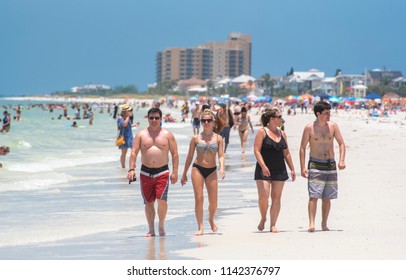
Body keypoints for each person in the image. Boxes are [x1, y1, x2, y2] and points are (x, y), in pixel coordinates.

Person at [127, 108, 179, 237]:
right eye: (151, 118)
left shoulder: (167, 134)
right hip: (145, 172)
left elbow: (175, 154)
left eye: (156, 118)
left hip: (163, 171)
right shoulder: (141, 134)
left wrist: (175, 172)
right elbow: (134, 152)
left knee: (162, 200)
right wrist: (131, 169)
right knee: (149, 202)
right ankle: (151, 229)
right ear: (148, 119)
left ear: (161, 119)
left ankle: (161, 225)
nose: (154, 120)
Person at [299, 101, 346, 232]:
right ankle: (311, 223)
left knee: (327, 197)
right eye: (326, 113)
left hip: (330, 164)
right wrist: (302, 167)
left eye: (329, 113)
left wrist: (342, 160)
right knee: (314, 195)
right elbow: (302, 148)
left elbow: (342, 144)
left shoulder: (333, 127)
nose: (329, 115)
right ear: (318, 114)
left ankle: (324, 223)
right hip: (315, 164)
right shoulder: (309, 128)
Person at [181, 109, 225, 235]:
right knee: (199, 198)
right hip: (197, 169)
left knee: (213, 201)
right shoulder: (195, 138)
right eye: (203, 120)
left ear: (213, 122)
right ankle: (200, 227)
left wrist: (222, 168)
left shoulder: (218, 138)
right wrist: (184, 174)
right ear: (200, 122)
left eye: (209, 120)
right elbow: (189, 156)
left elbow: (221, 155)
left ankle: (211, 219)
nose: (206, 123)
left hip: (212, 170)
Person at [253, 108, 296, 233]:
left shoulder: (282, 133)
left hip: (279, 168)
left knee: (276, 197)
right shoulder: (262, 132)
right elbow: (256, 150)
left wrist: (292, 169)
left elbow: (286, 153)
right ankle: (263, 218)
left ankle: (273, 224)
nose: (281, 119)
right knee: (264, 196)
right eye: (279, 116)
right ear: (271, 119)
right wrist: (263, 166)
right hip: (263, 169)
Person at [117, 104, 138, 169]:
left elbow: (129, 125)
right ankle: (123, 167)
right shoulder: (120, 118)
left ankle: (133, 164)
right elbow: (124, 124)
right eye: (129, 111)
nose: (131, 112)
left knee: (134, 150)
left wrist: (134, 125)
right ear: (126, 111)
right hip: (124, 137)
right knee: (124, 153)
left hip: (130, 136)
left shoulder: (127, 117)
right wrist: (128, 118)